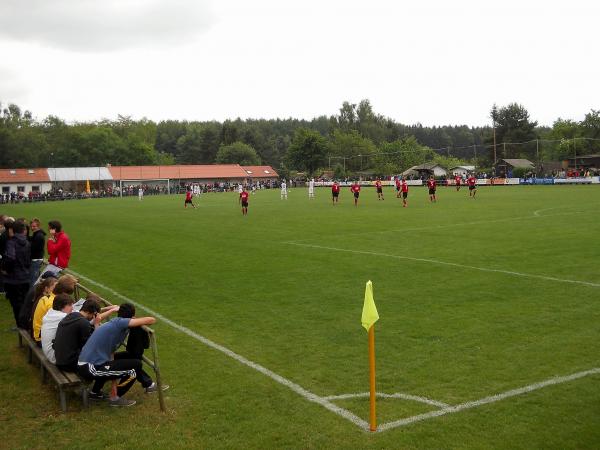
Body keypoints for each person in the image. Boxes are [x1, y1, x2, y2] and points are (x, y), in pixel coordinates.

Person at [77, 303, 160, 407]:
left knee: (124, 359)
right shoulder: (120, 323)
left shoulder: (114, 326)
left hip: (89, 364)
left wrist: (113, 374)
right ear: (131, 316)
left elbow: (110, 354)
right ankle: (115, 397)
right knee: (135, 367)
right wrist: (135, 319)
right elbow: (151, 320)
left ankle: (95, 393)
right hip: (89, 368)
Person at [54, 297, 102, 373]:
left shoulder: (71, 315)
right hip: (69, 364)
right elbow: (92, 345)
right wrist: (96, 325)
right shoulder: (84, 323)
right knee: (99, 359)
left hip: (59, 359)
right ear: (92, 313)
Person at [1, 220, 31, 327]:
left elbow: (10, 258)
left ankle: (21, 327)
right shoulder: (27, 243)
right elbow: (28, 261)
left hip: (13, 279)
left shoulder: (11, 242)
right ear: (23, 231)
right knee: (24, 302)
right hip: (25, 277)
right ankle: (26, 324)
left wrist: (5, 269)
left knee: (16, 304)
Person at [32, 274, 77, 344]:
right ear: (64, 293)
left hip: (39, 333)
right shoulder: (54, 303)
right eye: (68, 295)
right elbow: (61, 325)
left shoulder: (50, 297)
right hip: (41, 338)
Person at [41, 293, 75, 364]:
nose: (72, 308)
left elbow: (80, 313)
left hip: (48, 352)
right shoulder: (62, 317)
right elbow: (83, 315)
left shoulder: (51, 312)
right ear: (61, 306)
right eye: (69, 305)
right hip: (55, 356)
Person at [29, 218, 46, 286]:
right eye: (31, 226)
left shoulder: (39, 236)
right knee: (34, 279)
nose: (32, 228)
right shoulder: (37, 234)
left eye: (34, 226)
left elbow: (33, 249)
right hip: (36, 259)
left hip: (36, 260)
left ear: (38, 226)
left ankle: (32, 295)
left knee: (33, 280)